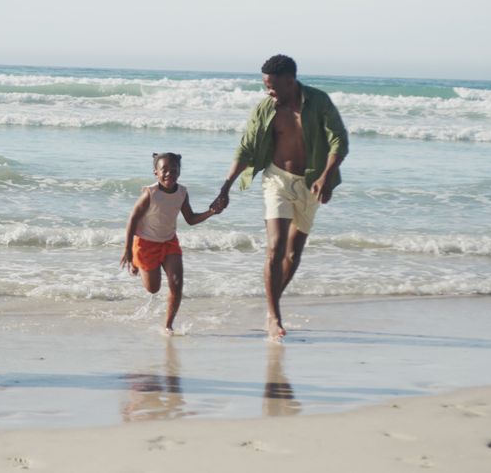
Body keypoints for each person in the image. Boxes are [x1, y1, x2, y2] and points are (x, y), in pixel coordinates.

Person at [212, 54, 349, 341]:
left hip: (311, 183)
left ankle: (272, 303)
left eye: (273, 86)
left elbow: (339, 140)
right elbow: (245, 149)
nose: (268, 91)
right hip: (276, 179)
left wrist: (325, 176)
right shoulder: (265, 109)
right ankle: (274, 316)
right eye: (266, 86)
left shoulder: (319, 102)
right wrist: (225, 187)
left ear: (290, 81)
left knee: (292, 253)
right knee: (275, 248)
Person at [120, 152, 219, 334]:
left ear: (179, 172)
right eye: (164, 170)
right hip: (145, 243)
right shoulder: (151, 193)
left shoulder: (182, 192)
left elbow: (190, 218)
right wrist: (127, 249)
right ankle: (137, 260)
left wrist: (211, 212)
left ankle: (168, 325)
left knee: (176, 282)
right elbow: (133, 219)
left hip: (169, 243)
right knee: (153, 288)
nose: (169, 174)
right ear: (155, 173)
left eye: (173, 170)